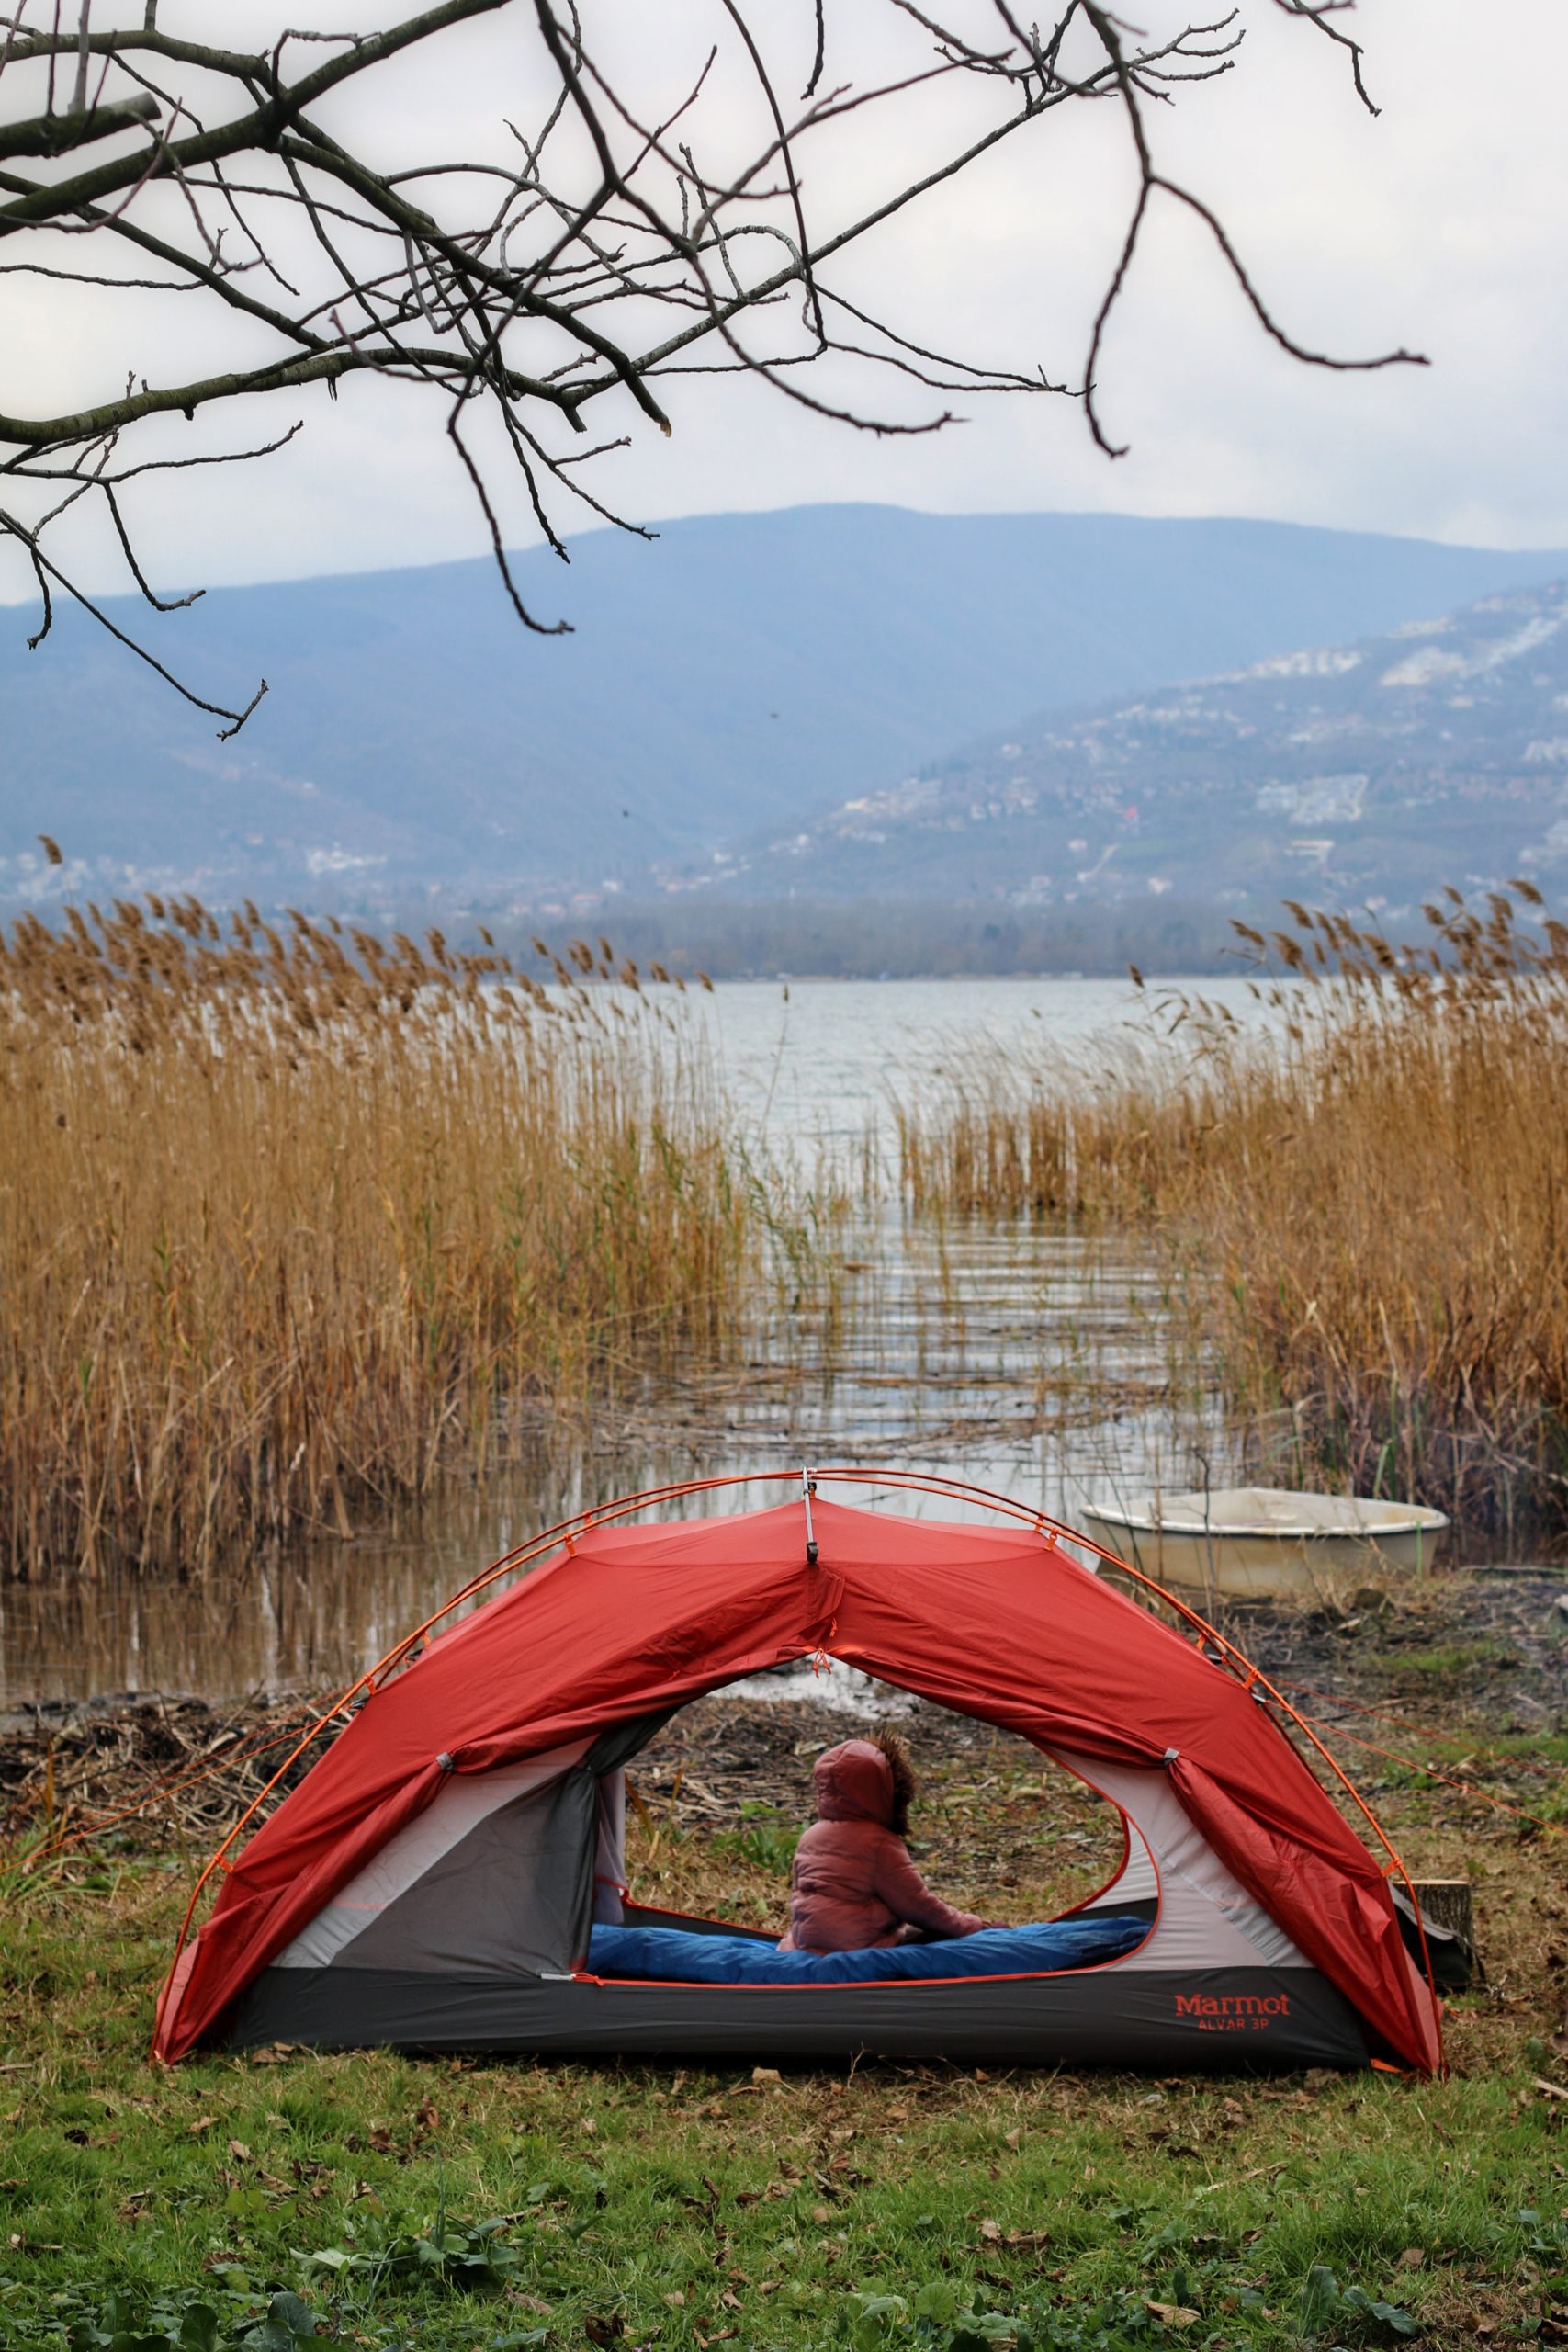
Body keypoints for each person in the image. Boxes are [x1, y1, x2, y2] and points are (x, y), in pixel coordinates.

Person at [777, 1727, 1000, 1954]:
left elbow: (802, 1900)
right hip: (858, 1947)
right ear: (885, 1789)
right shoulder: (877, 1843)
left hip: (804, 1944)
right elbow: (919, 1907)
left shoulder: (810, 1835)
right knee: (932, 1935)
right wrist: (974, 1926)